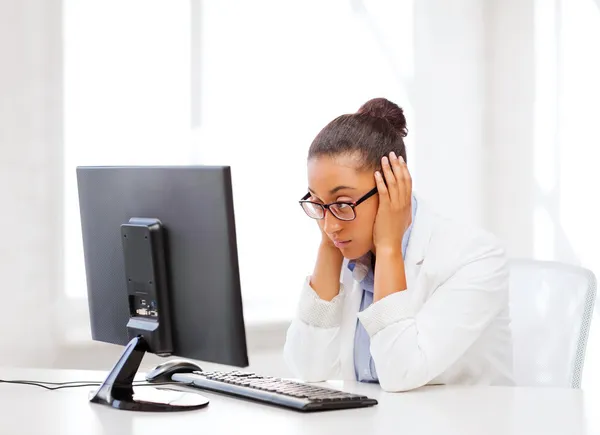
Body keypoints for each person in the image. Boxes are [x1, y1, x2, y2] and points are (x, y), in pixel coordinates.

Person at [283, 98, 513, 392]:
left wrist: (389, 247)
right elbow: (308, 370)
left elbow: (400, 373)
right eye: (317, 202)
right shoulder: (346, 244)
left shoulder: (474, 257)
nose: (330, 224)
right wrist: (328, 245)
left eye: (342, 203)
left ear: (391, 189)